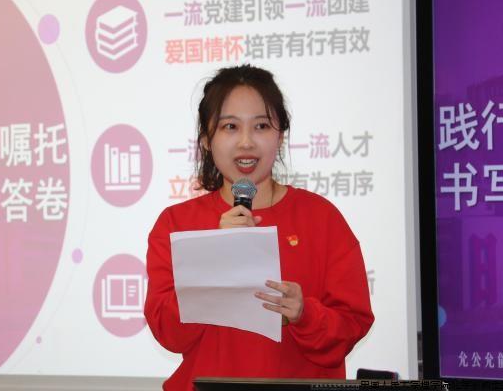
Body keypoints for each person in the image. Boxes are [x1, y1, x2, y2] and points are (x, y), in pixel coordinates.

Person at [145, 65, 374, 390]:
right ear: (207, 140)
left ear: (280, 136)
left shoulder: (322, 218)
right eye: (230, 127)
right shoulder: (176, 224)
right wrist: (213, 258)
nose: (246, 142)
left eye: (261, 126)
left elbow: (353, 323)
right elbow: (168, 333)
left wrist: (304, 314)